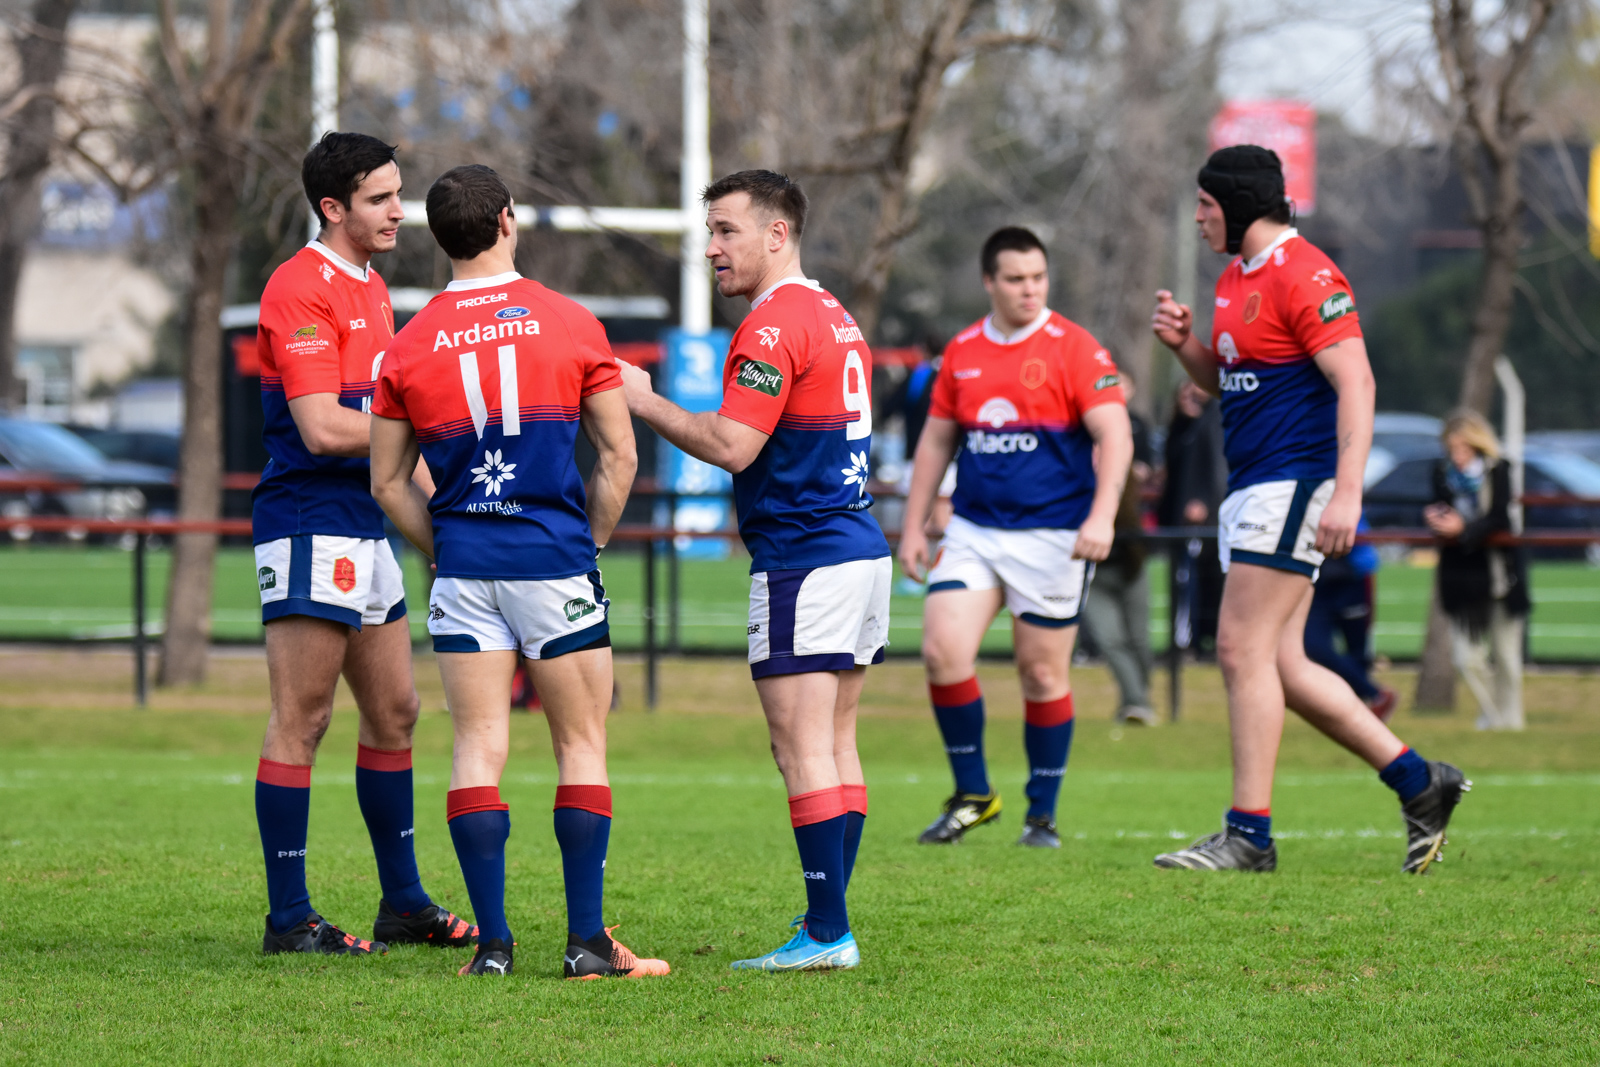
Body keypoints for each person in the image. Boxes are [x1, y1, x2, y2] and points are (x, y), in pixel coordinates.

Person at [369, 165, 669, 980]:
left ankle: (494, 948)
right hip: (555, 561)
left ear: (438, 235)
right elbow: (618, 454)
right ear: (507, 220)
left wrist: (445, 546)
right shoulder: (570, 322)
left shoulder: (409, 341)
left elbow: (387, 481)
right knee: (581, 741)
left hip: (465, 571)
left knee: (476, 745)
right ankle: (584, 944)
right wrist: (588, 544)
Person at [1150, 145, 1469, 874]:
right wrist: (1185, 348)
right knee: (1283, 665)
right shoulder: (1236, 278)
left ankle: (1249, 834)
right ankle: (1421, 783)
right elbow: (1229, 379)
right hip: (1254, 485)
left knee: (1238, 649)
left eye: (1205, 204)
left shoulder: (1307, 272)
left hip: (1295, 483)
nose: (1198, 217)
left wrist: (1348, 490)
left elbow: (1356, 379)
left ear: (1235, 202)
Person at [619, 169, 889, 971]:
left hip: (806, 556)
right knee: (835, 742)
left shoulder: (773, 326)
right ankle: (827, 921)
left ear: (778, 234)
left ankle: (827, 929)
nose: (711, 249)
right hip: (856, 547)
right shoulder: (834, 313)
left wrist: (646, 398)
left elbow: (733, 444)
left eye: (727, 231)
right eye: (710, 231)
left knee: (800, 746)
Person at [251, 132, 474, 955]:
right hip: (308, 522)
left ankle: (404, 902)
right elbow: (320, 426)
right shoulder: (298, 288)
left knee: (396, 712)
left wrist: (436, 521)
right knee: (301, 720)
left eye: (399, 193)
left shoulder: (374, 290)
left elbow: (386, 440)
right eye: (380, 198)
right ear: (333, 207)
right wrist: (426, 432)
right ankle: (289, 918)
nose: (398, 211)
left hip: (365, 526)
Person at [897, 226, 1134, 849]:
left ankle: (1042, 815)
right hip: (975, 529)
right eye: (1015, 279)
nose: (1029, 289)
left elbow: (1116, 435)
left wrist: (1102, 515)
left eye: (1038, 278)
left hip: (1054, 536)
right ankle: (974, 795)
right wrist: (915, 524)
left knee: (1040, 673)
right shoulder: (964, 351)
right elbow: (936, 442)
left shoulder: (1076, 349)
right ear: (989, 282)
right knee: (943, 651)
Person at [1425, 411, 1530, 730]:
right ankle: (1493, 716)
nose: (1458, 456)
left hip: (1500, 575)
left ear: (1478, 445)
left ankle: (1512, 723)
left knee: (1508, 658)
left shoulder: (1499, 470)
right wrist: (1437, 520)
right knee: (1466, 659)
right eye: (1453, 448)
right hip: (1461, 578)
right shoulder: (1441, 472)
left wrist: (1464, 529)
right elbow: (1440, 508)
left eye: (1464, 448)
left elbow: (1500, 517)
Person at [1081, 375, 1158, 726]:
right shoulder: (1074, 473)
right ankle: (1137, 702)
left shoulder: (1125, 469)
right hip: (1093, 571)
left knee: (1140, 639)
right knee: (1110, 639)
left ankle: (1138, 700)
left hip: (1129, 564)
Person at [1303, 516, 1396, 721]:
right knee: (1315, 646)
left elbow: (1356, 529)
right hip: (1317, 581)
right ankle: (1375, 695)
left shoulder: (1344, 492)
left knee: (1358, 652)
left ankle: (1361, 712)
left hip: (1352, 578)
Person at [1159, 379, 1227, 655]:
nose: (1189, 393)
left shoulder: (1215, 418)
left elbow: (1217, 467)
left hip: (1202, 519)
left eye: (1196, 384)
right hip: (1179, 516)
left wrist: (1206, 503)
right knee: (1186, 579)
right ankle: (1193, 639)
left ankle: (1191, 641)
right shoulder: (1183, 427)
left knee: (1200, 580)